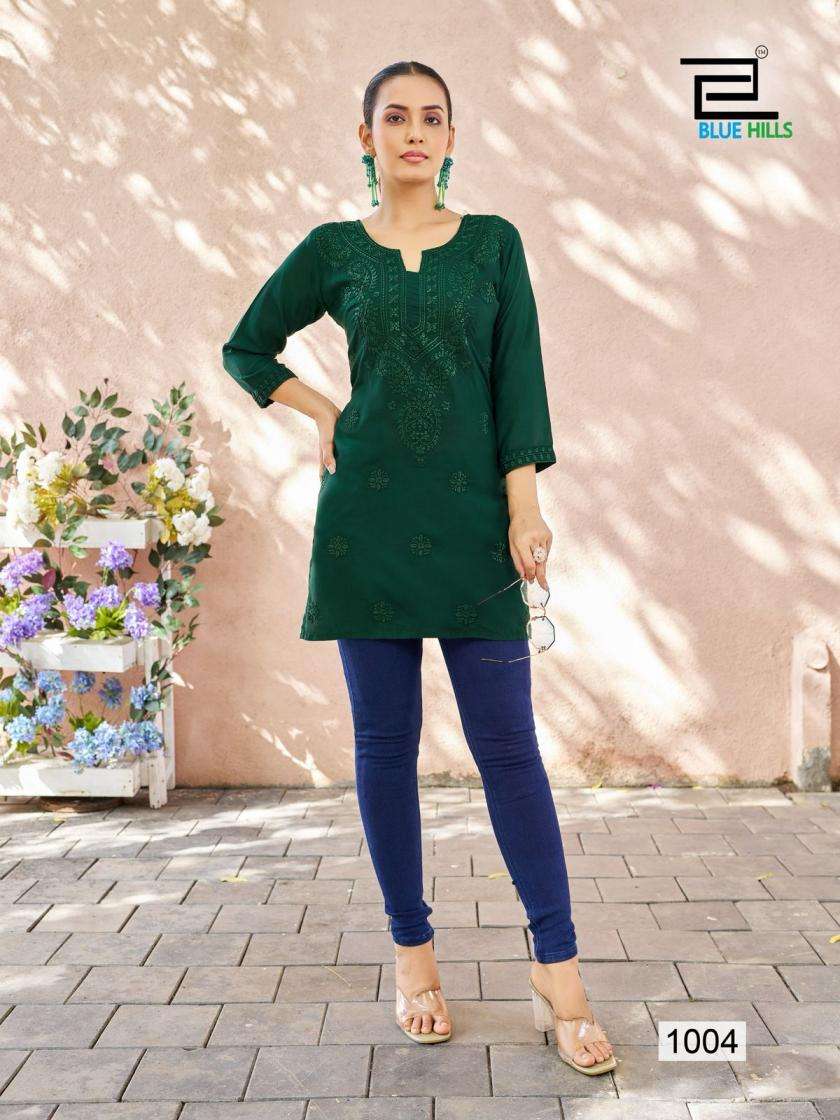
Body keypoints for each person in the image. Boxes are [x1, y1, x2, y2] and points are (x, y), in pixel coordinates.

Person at [222, 60, 615, 1076]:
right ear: (366, 137)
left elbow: (518, 381)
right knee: (385, 746)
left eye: (430, 118)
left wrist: (526, 507)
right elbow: (246, 347)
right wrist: (323, 410)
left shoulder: (493, 245)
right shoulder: (334, 251)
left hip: (478, 527)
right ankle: (414, 957)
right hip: (369, 527)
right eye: (394, 117)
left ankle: (559, 971)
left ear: (450, 138)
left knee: (510, 750)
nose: (412, 132)